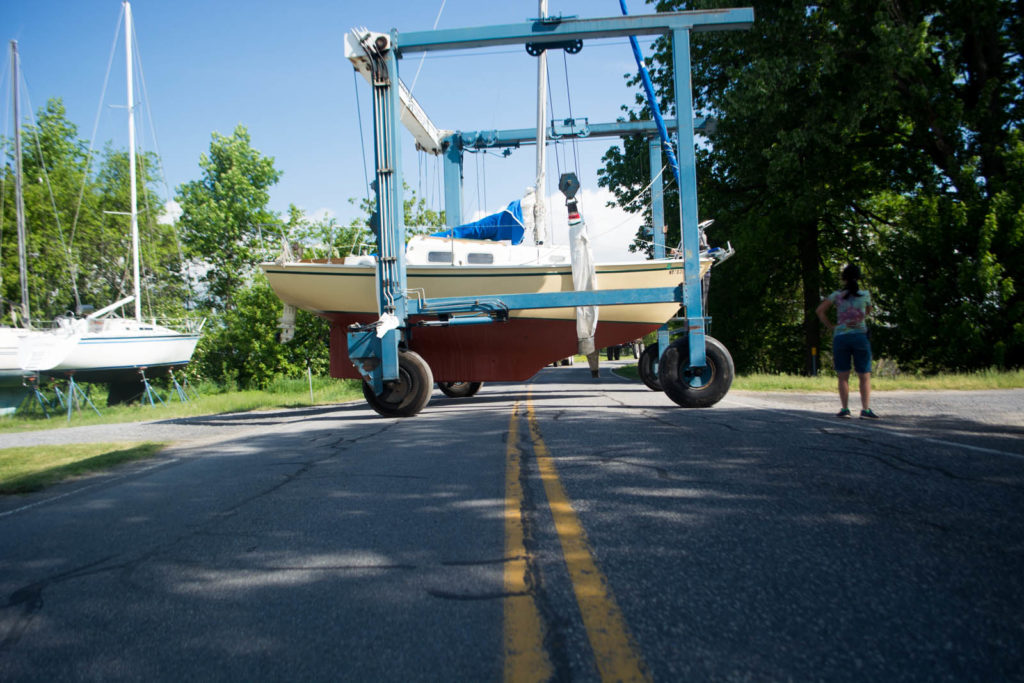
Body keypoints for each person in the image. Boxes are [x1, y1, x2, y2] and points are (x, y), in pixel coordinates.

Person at [816, 264, 879, 419]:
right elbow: (868, 311)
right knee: (864, 374)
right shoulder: (865, 295)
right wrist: (859, 319)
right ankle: (865, 409)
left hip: (841, 336)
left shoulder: (837, 295)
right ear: (858, 278)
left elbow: (819, 311)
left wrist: (831, 326)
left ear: (843, 278)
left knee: (843, 375)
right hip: (860, 336)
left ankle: (845, 408)